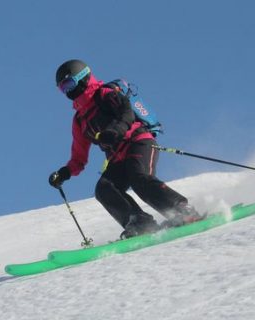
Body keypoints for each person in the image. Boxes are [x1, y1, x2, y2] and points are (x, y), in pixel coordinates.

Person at [48, 59, 201, 239]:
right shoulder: (80, 120)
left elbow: (126, 113)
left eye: (69, 84)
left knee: (139, 178)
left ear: (82, 78)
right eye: (62, 89)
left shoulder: (105, 93)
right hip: (117, 157)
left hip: (138, 142)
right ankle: (140, 223)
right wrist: (65, 173)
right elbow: (79, 156)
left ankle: (181, 211)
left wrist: (115, 131)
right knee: (104, 188)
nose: (67, 92)